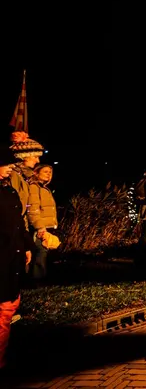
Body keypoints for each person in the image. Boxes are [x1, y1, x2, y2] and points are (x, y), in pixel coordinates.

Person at [0, 146, 34, 369]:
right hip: (2, 257)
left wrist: (27, 246)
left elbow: (18, 223)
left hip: (13, 255)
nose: (11, 167)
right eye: (6, 164)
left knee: (9, 305)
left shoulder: (9, 191)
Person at [26, 164, 59, 280]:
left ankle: (41, 279)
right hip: (41, 227)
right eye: (45, 171)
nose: (49, 174)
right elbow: (33, 208)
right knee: (40, 253)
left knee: (44, 253)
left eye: (50, 172)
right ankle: (37, 281)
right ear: (36, 173)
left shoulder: (44, 188)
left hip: (47, 226)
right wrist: (39, 227)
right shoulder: (34, 187)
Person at [8, 132, 45, 221]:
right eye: (35, 157)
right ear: (24, 156)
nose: (38, 161)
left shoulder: (24, 176)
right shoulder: (13, 175)